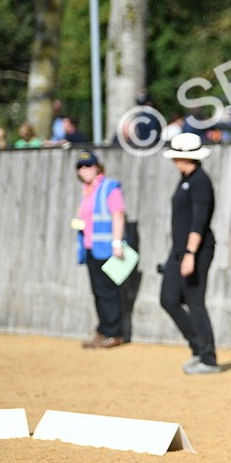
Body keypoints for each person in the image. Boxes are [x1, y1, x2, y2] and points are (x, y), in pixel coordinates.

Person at [160, 132, 219, 374]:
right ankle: (197, 347)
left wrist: (190, 254)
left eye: (176, 157)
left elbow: (199, 222)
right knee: (169, 299)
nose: (173, 161)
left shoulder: (200, 182)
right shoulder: (186, 178)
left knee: (195, 302)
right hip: (179, 250)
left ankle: (208, 358)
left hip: (196, 250)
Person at [73, 149, 127, 349]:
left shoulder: (109, 187)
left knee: (109, 292)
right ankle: (103, 330)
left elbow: (118, 214)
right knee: (98, 292)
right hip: (90, 248)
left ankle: (114, 333)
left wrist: (117, 242)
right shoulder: (87, 190)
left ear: (97, 166)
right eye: (80, 166)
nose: (84, 169)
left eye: (88, 165)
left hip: (107, 248)